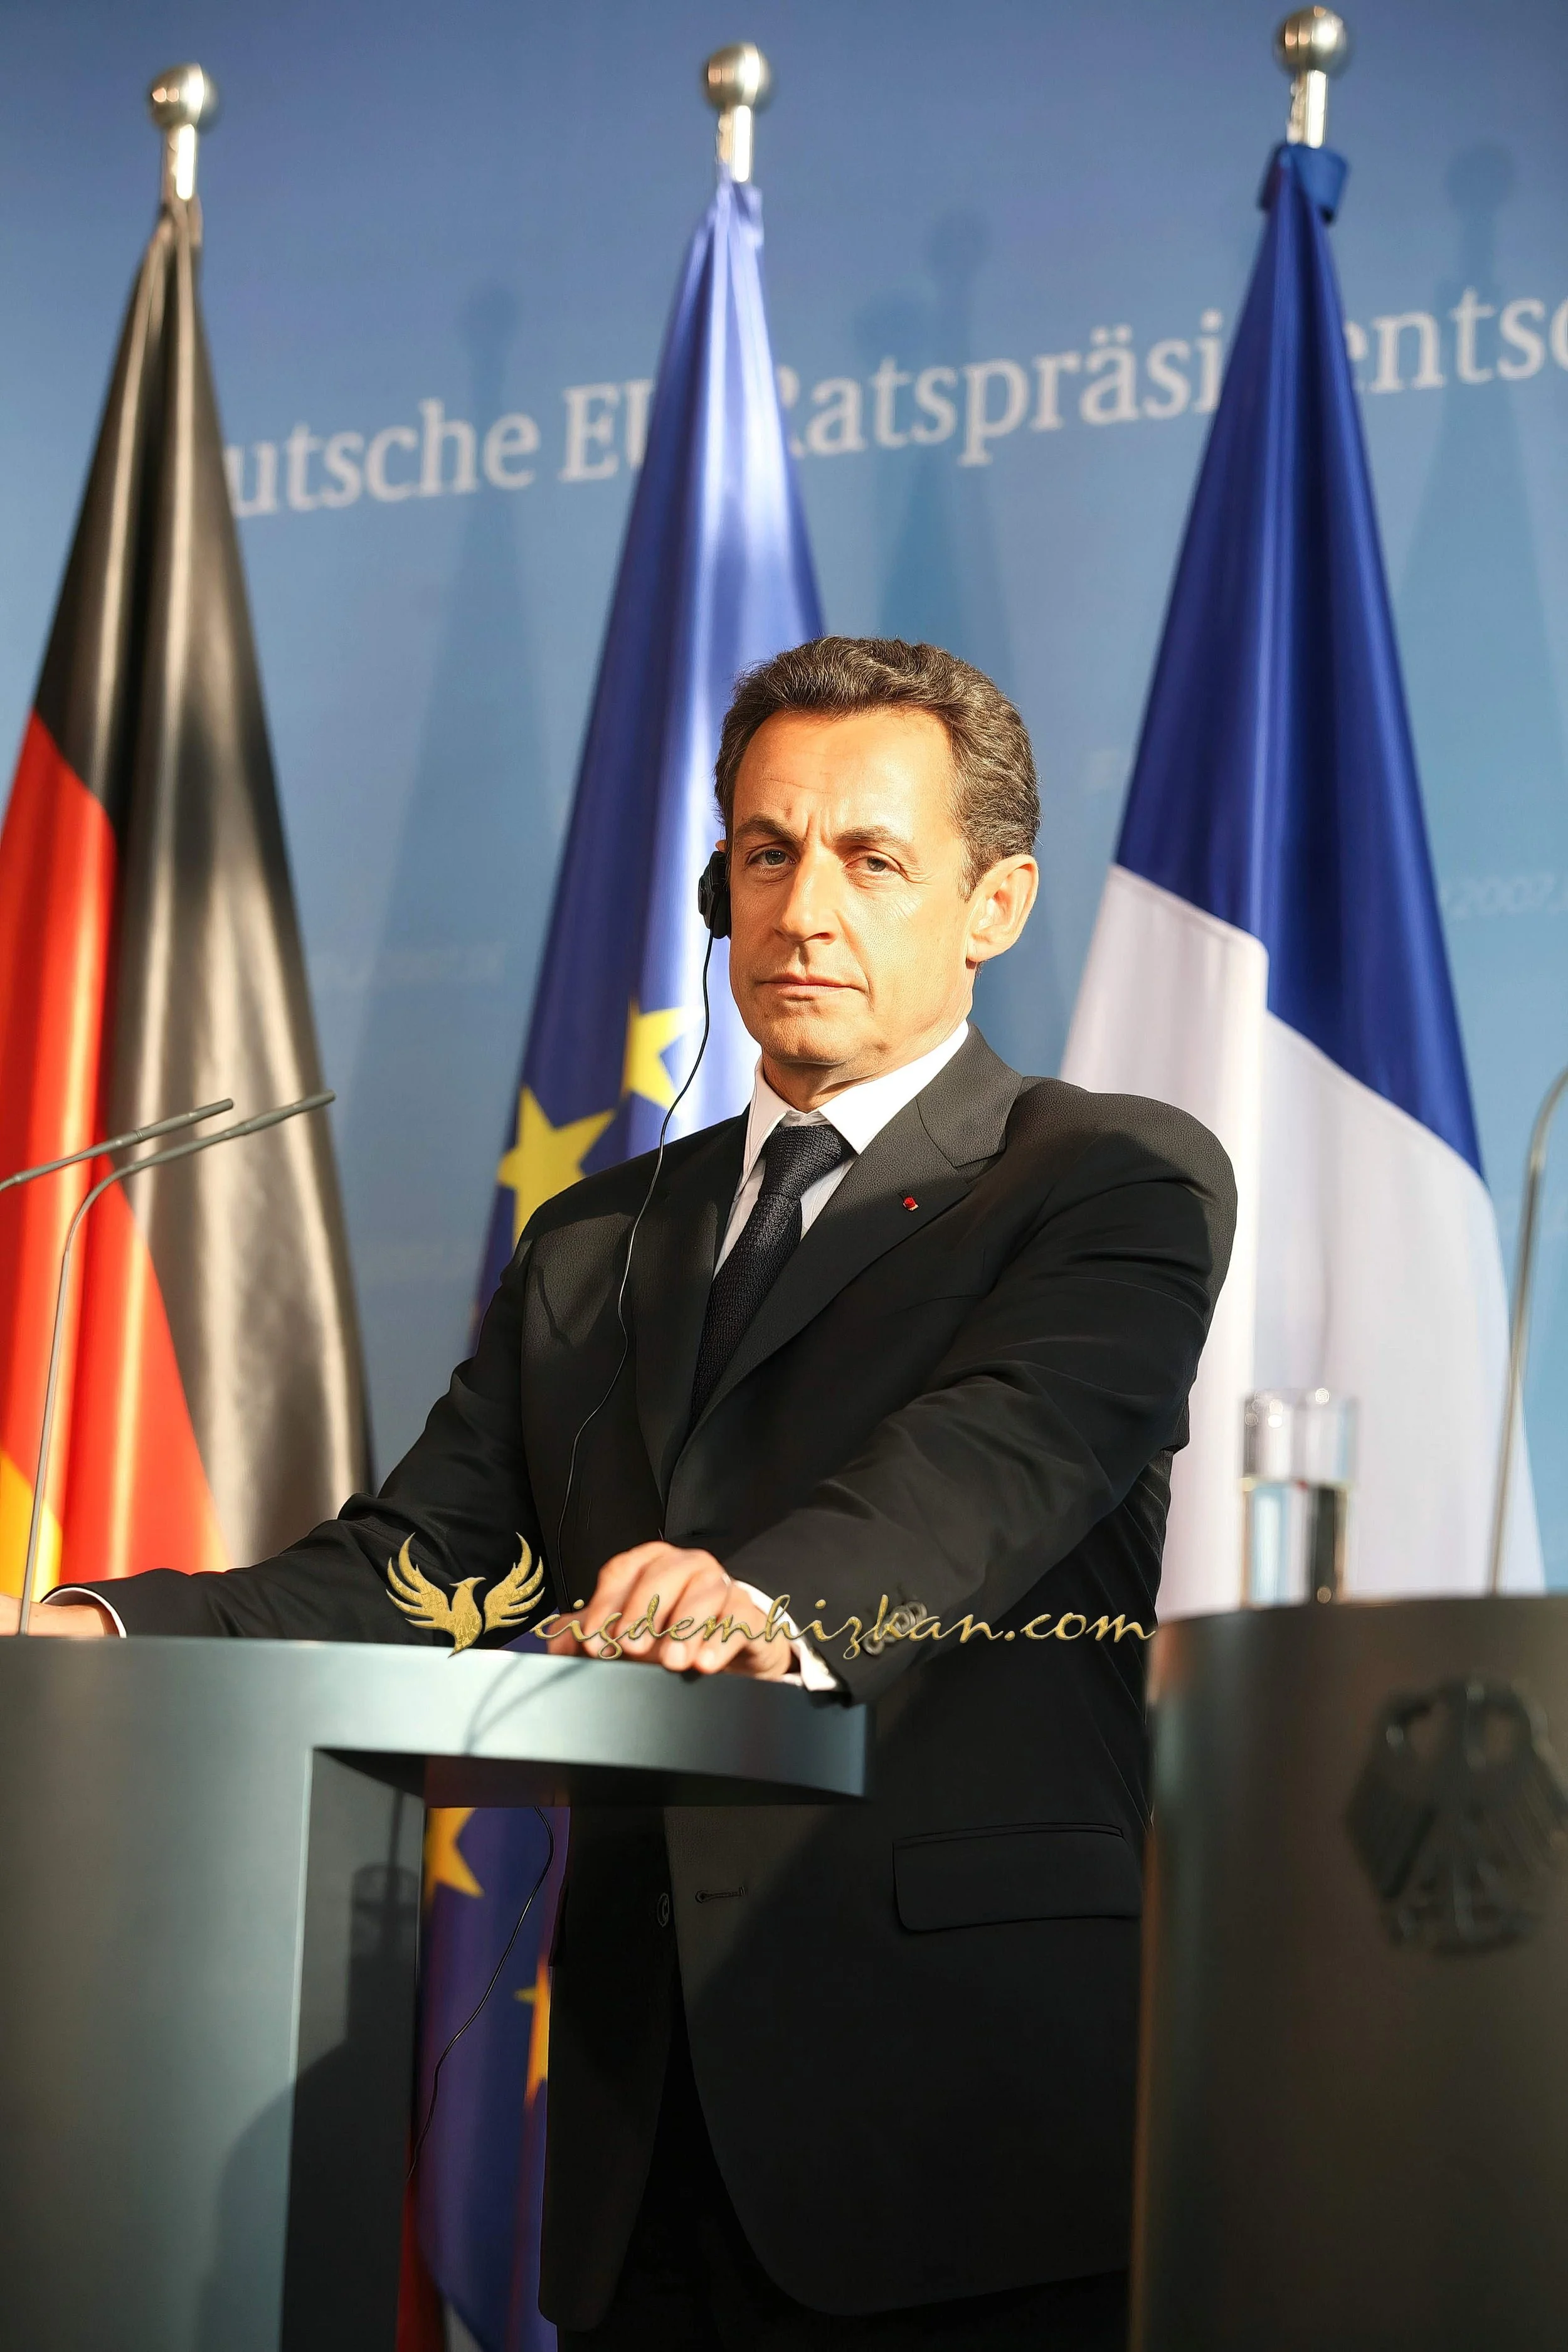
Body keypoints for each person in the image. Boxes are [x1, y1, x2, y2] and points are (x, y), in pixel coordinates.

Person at [12, 637, 1234, 2349]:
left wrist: (763, 1596)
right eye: (765, 852)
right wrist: (100, 1626)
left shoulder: (1106, 1173)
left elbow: (1003, 1451)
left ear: (996, 903)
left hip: (963, 2127)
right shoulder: (596, 1236)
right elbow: (419, 1568)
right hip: (637, 2123)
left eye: (873, 859)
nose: (804, 909)